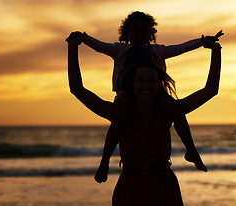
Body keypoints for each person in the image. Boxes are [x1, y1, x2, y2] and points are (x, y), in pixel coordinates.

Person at [67, 30, 221, 206]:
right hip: (131, 187)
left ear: (159, 85)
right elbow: (77, 89)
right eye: (141, 81)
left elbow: (210, 90)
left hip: (164, 185)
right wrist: (73, 47)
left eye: (152, 81)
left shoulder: (167, 114)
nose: (146, 85)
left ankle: (191, 152)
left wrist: (216, 51)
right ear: (132, 84)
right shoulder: (119, 114)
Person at [67, 11, 223, 172]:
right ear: (126, 33)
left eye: (144, 31)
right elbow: (99, 46)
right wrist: (83, 39)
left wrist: (202, 42)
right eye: (135, 30)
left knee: (177, 111)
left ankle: (191, 151)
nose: (139, 34)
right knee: (118, 119)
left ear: (150, 34)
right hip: (125, 93)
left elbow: (181, 48)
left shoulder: (158, 51)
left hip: (158, 94)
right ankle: (104, 161)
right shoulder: (119, 50)